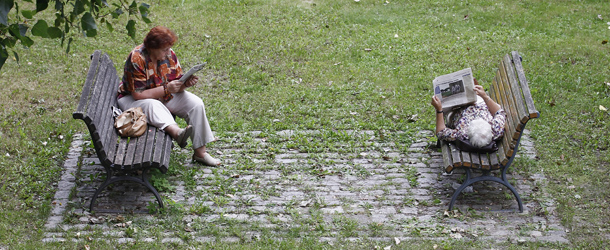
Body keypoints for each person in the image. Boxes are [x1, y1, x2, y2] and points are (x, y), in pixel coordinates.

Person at [117, 26, 221, 166]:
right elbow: (138, 94)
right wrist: (167, 89)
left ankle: (200, 153)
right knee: (153, 105)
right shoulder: (137, 58)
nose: (168, 53)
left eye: (168, 48)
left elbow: (176, 84)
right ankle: (177, 133)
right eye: (164, 50)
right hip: (132, 99)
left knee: (196, 104)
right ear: (152, 47)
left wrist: (185, 84)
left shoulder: (169, 55)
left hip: (162, 95)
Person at [431, 81, 506, 149]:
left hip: (457, 108)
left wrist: (439, 110)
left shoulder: (462, 134)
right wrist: (485, 97)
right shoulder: (496, 130)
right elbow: (499, 112)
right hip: (479, 103)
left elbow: (441, 132)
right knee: (471, 82)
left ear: (468, 132)